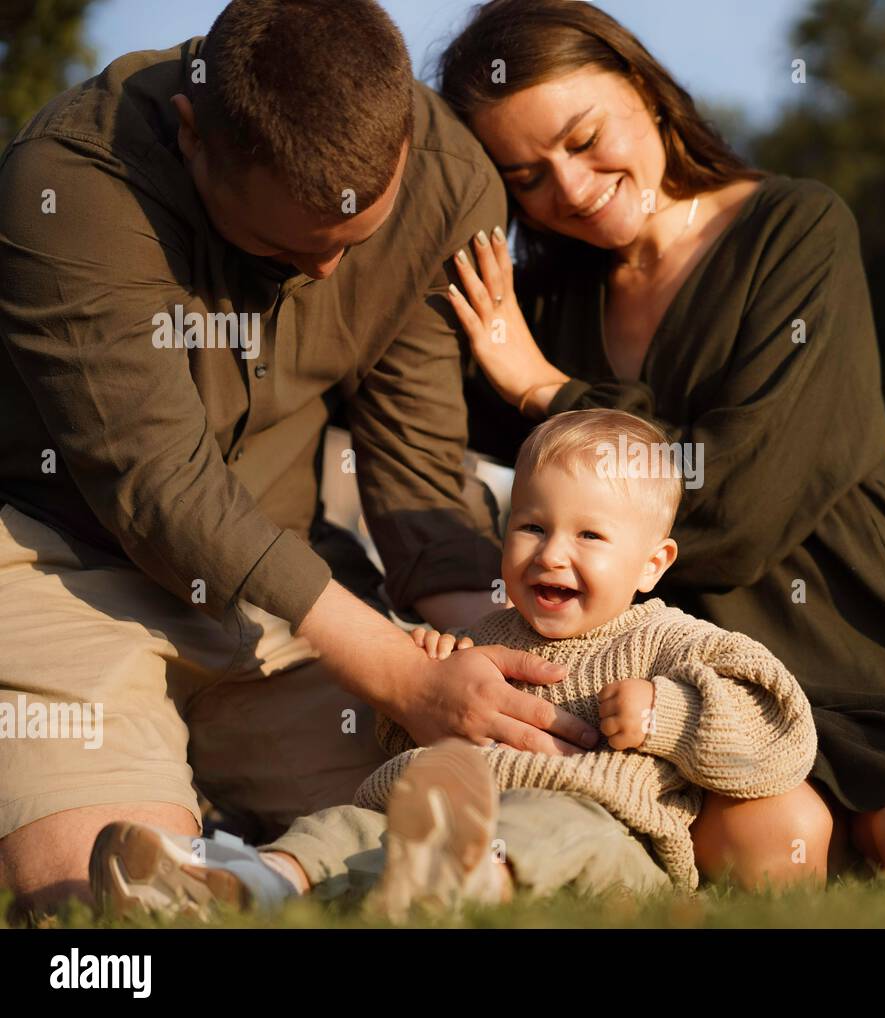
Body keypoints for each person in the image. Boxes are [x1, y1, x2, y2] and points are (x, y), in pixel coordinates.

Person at [439, 0, 885, 880]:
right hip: (683, 675)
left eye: (585, 138)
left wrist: (544, 388)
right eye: (528, 177)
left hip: (866, 634)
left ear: (643, 87)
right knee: (767, 850)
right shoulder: (538, 304)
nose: (573, 188)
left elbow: (743, 503)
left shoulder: (799, 229)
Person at [0, 0, 594, 915]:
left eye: (354, 242)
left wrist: (493, 651)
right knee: (109, 897)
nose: (323, 274)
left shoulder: (448, 183)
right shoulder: (68, 183)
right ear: (196, 135)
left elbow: (417, 466)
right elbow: (161, 487)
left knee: (461, 816)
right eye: (284, 248)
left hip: (295, 598)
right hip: (66, 568)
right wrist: (400, 673)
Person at [90, 410, 819, 918]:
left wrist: (670, 713)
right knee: (342, 829)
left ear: (653, 564)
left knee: (548, 829)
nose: (551, 552)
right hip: (433, 810)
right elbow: (409, 733)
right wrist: (419, 684)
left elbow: (778, 728)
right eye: (531, 526)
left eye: (589, 535)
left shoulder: (670, 641)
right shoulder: (486, 634)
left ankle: (464, 886)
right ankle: (244, 882)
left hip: (601, 830)